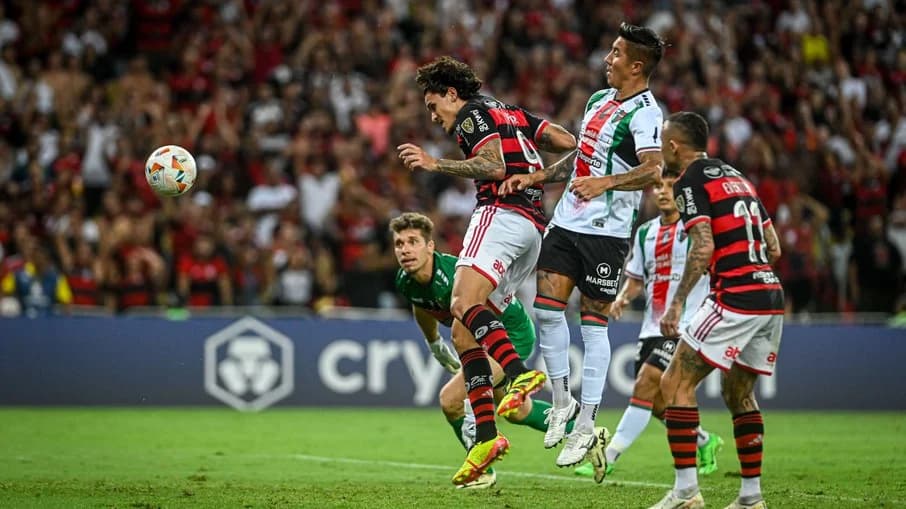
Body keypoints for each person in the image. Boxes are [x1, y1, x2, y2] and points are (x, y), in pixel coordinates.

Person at [397, 56, 578, 485]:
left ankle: (518, 375)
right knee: (463, 331)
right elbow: (568, 141)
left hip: (501, 213)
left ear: (452, 94)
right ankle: (487, 438)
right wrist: (537, 176)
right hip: (533, 227)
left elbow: (494, 166)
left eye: (432, 104)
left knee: (461, 301)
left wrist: (436, 163)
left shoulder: (469, 115)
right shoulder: (509, 111)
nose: (433, 114)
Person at [499, 22, 666, 477]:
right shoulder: (598, 101)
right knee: (548, 312)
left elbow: (654, 171)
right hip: (567, 222)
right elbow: (582, 160)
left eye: (615, 53)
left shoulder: (647, 114)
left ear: (636, 65)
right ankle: (561, 400)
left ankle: (587, 423)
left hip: (606, 235)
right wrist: (538, 177)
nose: (607, 59)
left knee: (592, 328)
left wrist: (607, 183)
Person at [390, 212, 589, 489]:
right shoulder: (405, 280)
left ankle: (483, 467)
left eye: (413, 241)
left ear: (430, 246)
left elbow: (471, 331)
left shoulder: (450, 276)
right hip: (480, 339)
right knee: (516, 412)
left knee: (451, 399)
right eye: (399, 244)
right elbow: (421, 306)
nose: (405, 249)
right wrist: (434, 343)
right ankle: (583, 429)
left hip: (509, 335)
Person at [650, 112, 783, 509]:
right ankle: (750, 498)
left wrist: (676, 304)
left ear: (674, 145)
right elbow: (773, 247)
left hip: (736, 296)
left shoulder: (691, 180)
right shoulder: (739, 178)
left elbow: (703, 246)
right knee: (739, 393)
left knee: (674, 384)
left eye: (661, 142)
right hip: (770, 296)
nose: (660, 150)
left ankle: (687, 493)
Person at [603, 172, 722, 477]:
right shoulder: (645, 233)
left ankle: (609, 456)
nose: (663, 191)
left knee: (647, 380)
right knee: (655, 402)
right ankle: (704, 440)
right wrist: (622, 299)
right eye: (658, 186)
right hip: (650, 329)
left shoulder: (698, 231)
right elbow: (637, 279)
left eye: (670, 186)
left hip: (685, 326)